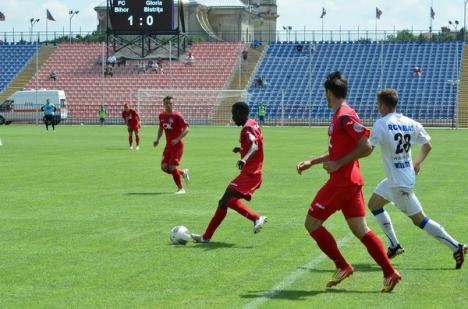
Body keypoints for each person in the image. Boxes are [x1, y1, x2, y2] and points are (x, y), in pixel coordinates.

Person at [296, 71, 400, 293]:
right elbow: (337, 151)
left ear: (329, 93)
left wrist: (339, 164)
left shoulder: (345, 115)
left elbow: (366, 146)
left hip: (341, 183)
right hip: (350, 183)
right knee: (361, 230)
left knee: (311, 224)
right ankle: (390, 273)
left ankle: (342, 266)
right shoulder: (339, 116)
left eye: (325, 93)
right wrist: (312, 162)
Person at [368, 88, 467, 268]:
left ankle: (456, 246)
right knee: (374, 204)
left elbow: (368, 148)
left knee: (420, 220)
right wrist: (416, 163)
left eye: (378, 105)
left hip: (399, 184)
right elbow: (427, 145)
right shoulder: (410, 122)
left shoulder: (381, 123)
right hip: (398, 178)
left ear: (382, 105)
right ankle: (394, 245)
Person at [191, 102, 267, 243]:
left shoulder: (246, 128)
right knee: (224, 202)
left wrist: (244, 158)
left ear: (241, 113)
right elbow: (256, 142)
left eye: (234, 114)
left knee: (228, 200)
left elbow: (255, 146)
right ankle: (206, 237)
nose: (232, 117)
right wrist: (241, 148)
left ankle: (256, 218)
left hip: (251, 174)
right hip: (252, 173)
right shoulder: (253, 123)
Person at [153, 96, 190, 194]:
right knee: (164, 167)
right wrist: (157, 139)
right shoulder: (161, 115)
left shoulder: (177, 115)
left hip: (177, 145)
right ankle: (183, 172)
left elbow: (186, 128)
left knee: (172, 168)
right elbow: (161, 128)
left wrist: (178, 139)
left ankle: (181, 189)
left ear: (173, 104)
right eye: (166, 103)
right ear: (163, 104)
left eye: (170, 103)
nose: (169, 105)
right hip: (168, 145)